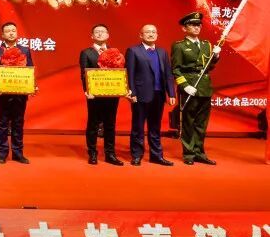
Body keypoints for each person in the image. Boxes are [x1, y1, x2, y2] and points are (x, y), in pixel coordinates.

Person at [171, 12, 221, 166]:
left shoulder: (206, 45)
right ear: (184, 28)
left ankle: (199, 153)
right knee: (188, 122)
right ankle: (189, 153)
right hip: (190, 86)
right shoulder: (179, 46)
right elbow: (176, 69)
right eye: (192, 25)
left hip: (204, 86)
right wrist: (185, 86)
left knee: (201, 123)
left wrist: (216, 57)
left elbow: (208, 67)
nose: (196, 27)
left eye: (198, 25)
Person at [125, 24, 176, 166]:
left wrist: (171, 93)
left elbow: (168, 74)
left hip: (159, 95)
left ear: (157, 35)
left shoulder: (162, 52)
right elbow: (130, 74)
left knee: (155, 127)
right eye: (147, 32)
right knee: (138, 127)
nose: (151, 34)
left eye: (154, 32)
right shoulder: (133, 51)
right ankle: (137, 155)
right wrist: (132, 92)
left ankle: (156, 156)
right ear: (141, 35)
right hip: (140, 95)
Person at [0, 22, 35, 164]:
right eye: (8, 31)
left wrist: (31, 86)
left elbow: (30, 70)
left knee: (18, 124)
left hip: (20, 94)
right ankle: (2, 153)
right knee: (2, 124)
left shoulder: (24, 50)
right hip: (2, 94)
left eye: (13, 30)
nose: (11, 33)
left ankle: (18, 153)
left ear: (17, 33)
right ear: (2, 35)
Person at [79, 24, 124, 166]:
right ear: (92, 36)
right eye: (97, 32)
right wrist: (87, 91)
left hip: (112, 94)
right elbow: (84, 74)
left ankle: (110, 154)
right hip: (94, 94)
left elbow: (120, 72)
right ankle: (92, 153)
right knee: (93, 123)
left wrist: (122, 88)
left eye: (103, 31)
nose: (100, 34)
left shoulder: (115, 52)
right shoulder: (86, 53)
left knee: (110, 124)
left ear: (108, 35)